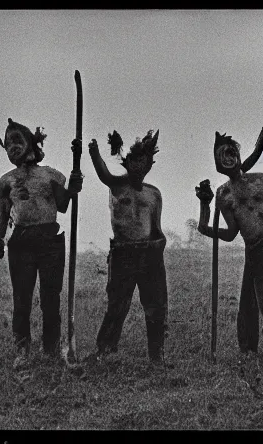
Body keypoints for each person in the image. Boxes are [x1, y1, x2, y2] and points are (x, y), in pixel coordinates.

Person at [195, 117, 263, 375]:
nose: (229, 157)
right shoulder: (224, 195)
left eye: (232, 152)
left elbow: (257, 157)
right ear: (218, 164)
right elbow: (230, 233)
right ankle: (248, 351)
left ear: (238, 155)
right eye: (222, 156)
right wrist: (204, 206)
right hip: (252, 250)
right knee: (249, 301)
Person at [0, 118, 83, 373]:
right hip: (20, 242)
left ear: (31, 143)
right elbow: (4, 214)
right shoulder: (6, 181)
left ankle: (51, 350)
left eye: (18, 141)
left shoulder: (51, 175)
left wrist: (74, 187)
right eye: (9, 144)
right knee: (22, 299)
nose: (13, 147)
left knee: (50, 298)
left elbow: (63, 205)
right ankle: (22, 350)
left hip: (50, 240)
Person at [88, 129, 169, 364]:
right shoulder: (116, 185)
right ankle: (104, 351)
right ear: (128, 163)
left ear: (149, 166)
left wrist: (158, 247)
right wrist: (94, 152)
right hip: (122, 251)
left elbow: (156, 227)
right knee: (117, 303)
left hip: (149, 253)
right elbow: (103, 173)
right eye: (135, 162)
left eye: (144, 163)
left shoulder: (154, 194)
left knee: (155, 306)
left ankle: (157, 356)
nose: (139, 167)